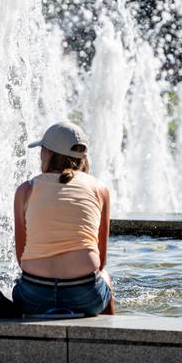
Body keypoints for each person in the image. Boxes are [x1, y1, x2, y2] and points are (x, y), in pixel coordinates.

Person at [12, 121, 115, 315]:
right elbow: (101, 261)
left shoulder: (26, 190)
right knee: (105, 277)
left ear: (48, 153)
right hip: (85, 296)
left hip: (34, 296)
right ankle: (108, 332)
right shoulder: (100, 189)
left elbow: (21, 257)